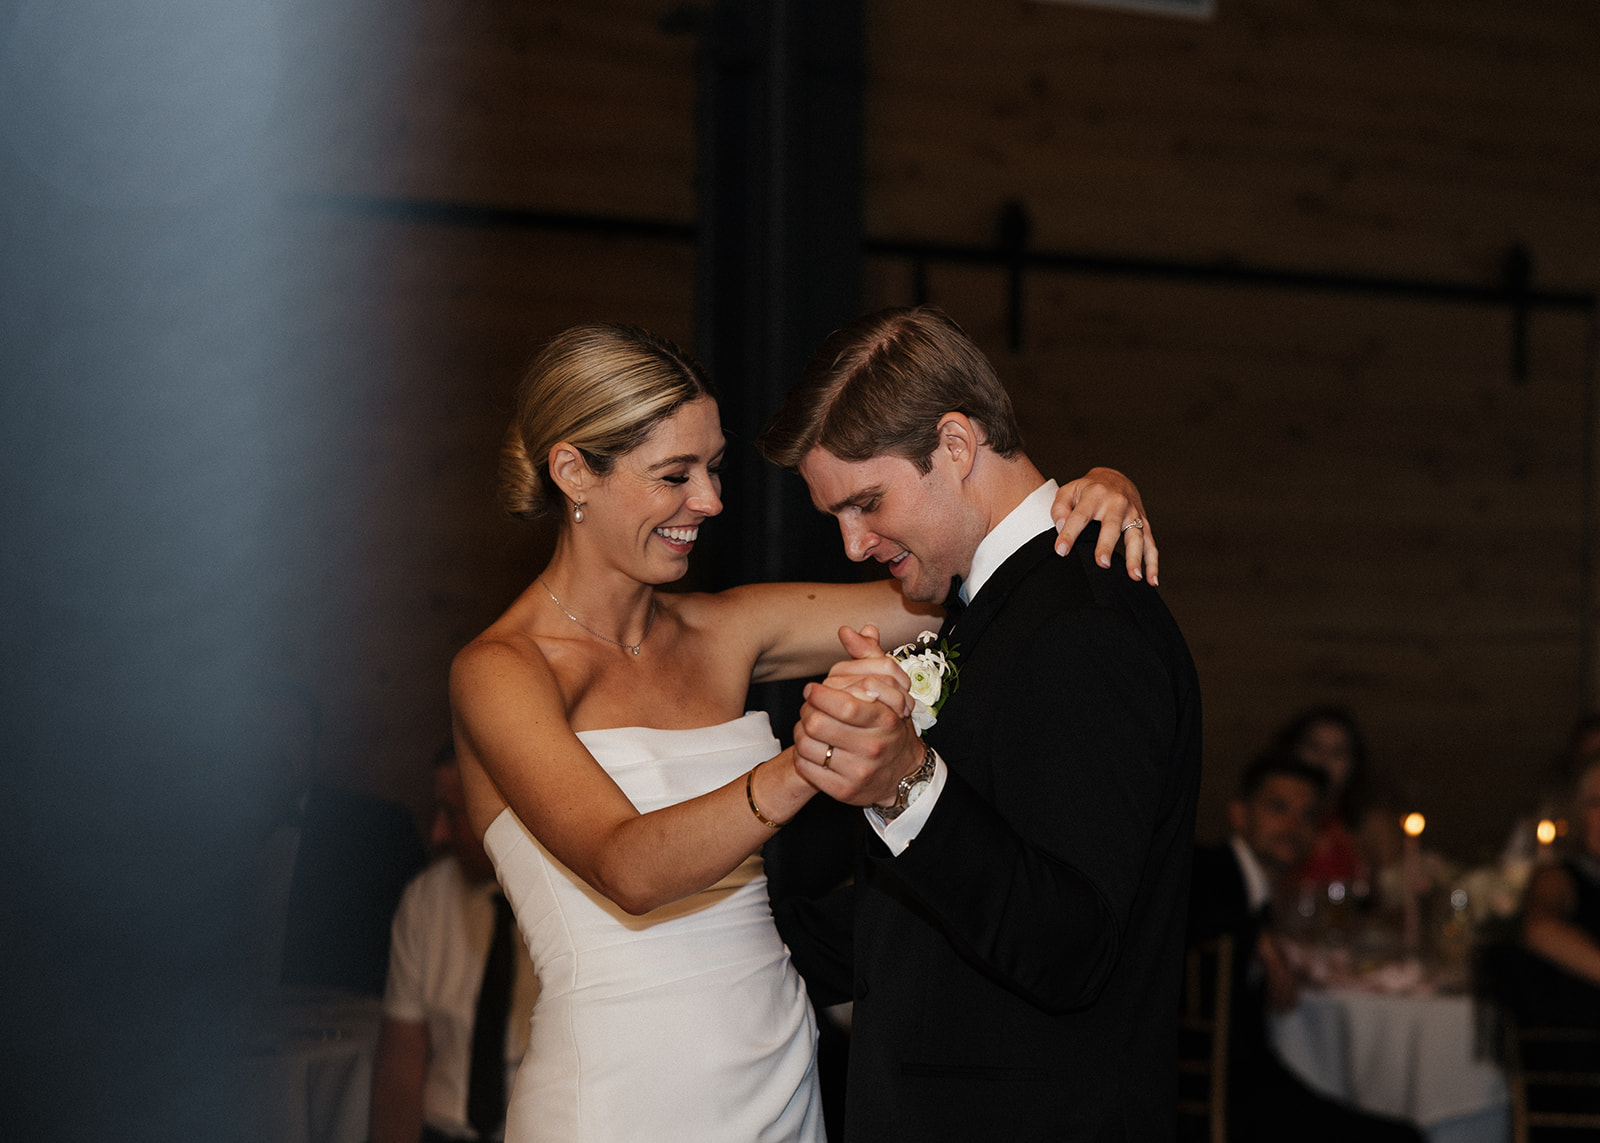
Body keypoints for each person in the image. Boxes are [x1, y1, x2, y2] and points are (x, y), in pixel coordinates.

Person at [448, 322, 1156, 1142]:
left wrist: (1087, 496)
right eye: (675, 474)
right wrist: (816, 759)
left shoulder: (727, 626)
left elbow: (982, 578)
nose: (710, 501)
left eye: (712, 468)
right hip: (624, 1087)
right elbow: (628, 866)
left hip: (783, 1070)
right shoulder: (500, 670)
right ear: (574, 470)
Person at [755, 304, 1201, 1141]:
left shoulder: (1082, 623)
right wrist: (737, 945)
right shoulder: (996, 608)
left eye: (867, 502)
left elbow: (1072, 943)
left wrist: (907, 782)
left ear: (956, 445)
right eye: (836, 518)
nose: (852, 545)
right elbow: (939, 911)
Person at [1187, 752, 1424, 1143]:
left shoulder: (1260, 897)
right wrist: (1256, 940)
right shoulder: (1211, 870)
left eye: (1308, 815)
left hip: (1246, 1086)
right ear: (1239, 814)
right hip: (1203, 1098)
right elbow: (1177, 899)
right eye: (1278, 808)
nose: (1293, 826)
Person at [370, 744, 539, 1143]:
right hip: (445, 1132)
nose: (438, 834)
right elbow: (401, 1065)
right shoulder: (427, 898)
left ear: (504, 808)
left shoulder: (570, 900)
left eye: (454, 813)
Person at [1514, 756, 1600, 1026]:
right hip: (1579, 1048)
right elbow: (1539, 930)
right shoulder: (1559, 877)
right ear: (1579, 813)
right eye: (1596, 803)